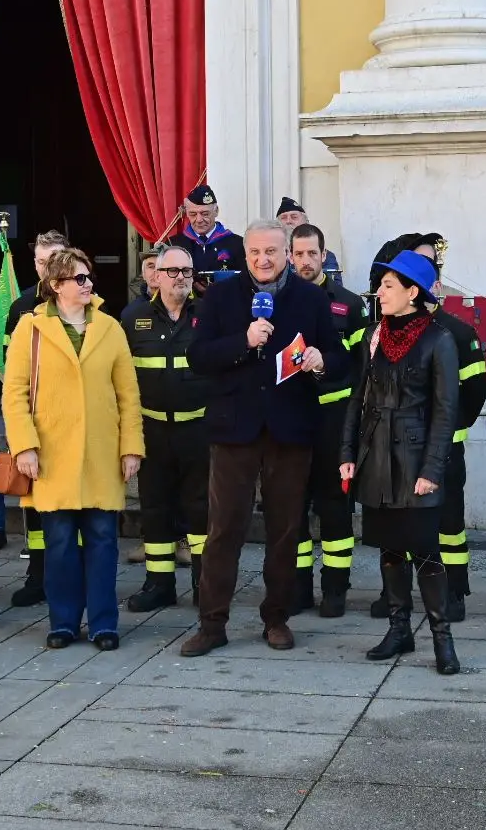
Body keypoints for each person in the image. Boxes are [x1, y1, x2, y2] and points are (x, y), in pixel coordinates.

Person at [179, 219, 346, 657]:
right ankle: (212, 624)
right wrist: (244, 340)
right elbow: (198, 356)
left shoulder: (311, 299)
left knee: (285, 531)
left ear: (287, 253)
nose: (262, 259)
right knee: (223, 530)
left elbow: (340, 358)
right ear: (245, 255)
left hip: (290, 430)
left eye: (271, 251)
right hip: (234, 430)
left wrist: (320, 361)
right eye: (254, 252)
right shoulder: (220, 297)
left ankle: (276, 617)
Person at [4, 248, 145, 650]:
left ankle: (103, 623)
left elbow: (128, 395)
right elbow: (14, 394)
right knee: (60, 544)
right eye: (79, 278)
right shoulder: (30, 329)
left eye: (88, 277)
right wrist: (24, 447)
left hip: (101, 454)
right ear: (56, 285)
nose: (88, 284)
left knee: (103, 541)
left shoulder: (110, 327)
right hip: (51, 455)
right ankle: (63, 622)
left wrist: (131, 446)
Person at [339, 249, 460, 675]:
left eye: (389, 285)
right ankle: (399, 629)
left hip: (414, 459)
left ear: (413, 292)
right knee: (390, 547)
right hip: (376, 457)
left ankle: (442, 639)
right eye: (380, 285)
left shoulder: (439, 339)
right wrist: (347, 454)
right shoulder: (373, 335)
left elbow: (446, 410)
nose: (380, 292)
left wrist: (432, 469)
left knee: (425, 550)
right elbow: (358, 397)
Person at [388, 233, 486, 621]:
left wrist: (452, 428)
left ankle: (454, 591)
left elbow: (475, 389)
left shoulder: (458, 333)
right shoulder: (389, 330)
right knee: (401, 520)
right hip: (400, 445)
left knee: (449, 524)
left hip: (444, 449)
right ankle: (396, 594)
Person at [121, 244, 209, 612]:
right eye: (172, 271)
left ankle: (206, 586)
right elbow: (121, 378)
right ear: (156, 276)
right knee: (155, 509)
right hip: (152, 431)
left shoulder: (209, 314)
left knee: (201, 510)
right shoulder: (133, 317)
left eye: (186, 271)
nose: (180, 278)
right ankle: (159, 584)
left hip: (198, 431)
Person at [288, 223, 368, 617]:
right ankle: (298, 588)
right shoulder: (279, 300)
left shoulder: (349, 305)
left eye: (312, 254)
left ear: (324, 256)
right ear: (290, 257)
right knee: (292, 506)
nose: (305, 261)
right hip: (291, 418)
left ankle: (336, 588)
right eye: (299, 254)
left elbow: (363, 366)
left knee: (335, 507)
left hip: (334, 419)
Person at [3, 229, 71, 608]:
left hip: (73, 421)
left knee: (72, 502)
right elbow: (11, 370)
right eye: (42, 262)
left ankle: (72, 574)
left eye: (55, 261)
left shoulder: (83, 301)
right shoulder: (20, 307)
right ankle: (37, 575)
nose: (48, 269)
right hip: (33, 419)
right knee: (32, 503)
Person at [177, 185, 244, 281]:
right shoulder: (174, 245)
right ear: (186, 213)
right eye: (193, 214)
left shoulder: (239, 244)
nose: (199, 220)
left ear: (216, 211)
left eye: (205, 214)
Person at [277, 198, 342, 286]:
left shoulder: (325, 257)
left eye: (294, 217)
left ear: (306, 222)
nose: (288, 221)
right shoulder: (272, 256)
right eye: (283, 218)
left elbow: (333, 288)